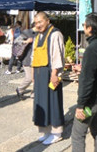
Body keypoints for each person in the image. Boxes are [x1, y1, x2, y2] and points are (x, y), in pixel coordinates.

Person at [72, 12, 97, 152]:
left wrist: (81, 105)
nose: (83, 27)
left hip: (90, 100)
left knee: (77, 135)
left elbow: (87, 81)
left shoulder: (91, 49)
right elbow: (96, 71)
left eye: (84, 25)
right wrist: (84, 69)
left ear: (90, 28)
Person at [32, 12, 65, 145]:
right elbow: (34, 56)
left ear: (47, 21)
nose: (38, 25)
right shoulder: (38, 35)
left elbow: (57, 54)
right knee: (41, 102)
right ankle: (45, 130)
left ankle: (57, 132)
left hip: (51, 72)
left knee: (53, 101)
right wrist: (34, 75)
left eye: (40, 22)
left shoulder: (55, 34)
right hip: (40, 73)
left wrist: (55, 74)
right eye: (36, 23)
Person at [16, 25, 37, 99]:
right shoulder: (26, 32)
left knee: (36, 77)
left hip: (37, 59)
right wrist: (26, 41)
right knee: (29, 78)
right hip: (27, 59)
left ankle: (34, 94)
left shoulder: (41, 33)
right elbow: (17, 42)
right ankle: (20, 89)